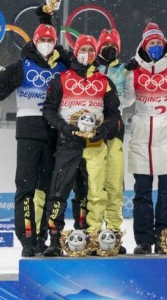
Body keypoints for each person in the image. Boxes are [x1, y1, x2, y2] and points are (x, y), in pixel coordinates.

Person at [0, 20, 68, 257]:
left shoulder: (62, 67)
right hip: (28, 131)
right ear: (34, 41)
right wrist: (7, 76)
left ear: (55, 44)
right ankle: (27, 239)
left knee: (48, 188)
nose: (45, 44)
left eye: (50, 40)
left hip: (54, 132)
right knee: (25, 188)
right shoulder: (22, 65)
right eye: (41, 40)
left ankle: (43, 237)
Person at [41, 34, 122, 256]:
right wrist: (64, 128)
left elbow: (115, 111)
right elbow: (48, 109)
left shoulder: (104, 81)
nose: (87, 53)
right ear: (76, 51)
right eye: (83, 49)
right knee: (59, 192)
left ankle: (90, 236)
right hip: (69, 143)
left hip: (95, 145)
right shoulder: (62, 78)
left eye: (91, 49)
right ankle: (55, 240)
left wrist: (103, 130)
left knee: (93, 194)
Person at [122, 22, 167, 254]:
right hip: (142, 134)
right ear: (144, 45)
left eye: (159, 42)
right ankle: (142, 240)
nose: (156, 46)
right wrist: (121, 72)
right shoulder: (134, 69)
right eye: (152, 43)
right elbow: (125, 100)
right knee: (142, 192)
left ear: (165, 44)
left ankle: (163, 238)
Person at [94, 29, 127, 252]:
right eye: (105, 46)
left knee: (115, 185)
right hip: (93, 134)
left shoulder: (126, 69)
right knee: (95, 186)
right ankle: (92, 232)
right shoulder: (89, 68)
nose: (109, 50)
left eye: (113, 47)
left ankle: (114, 232)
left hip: (115, 130)